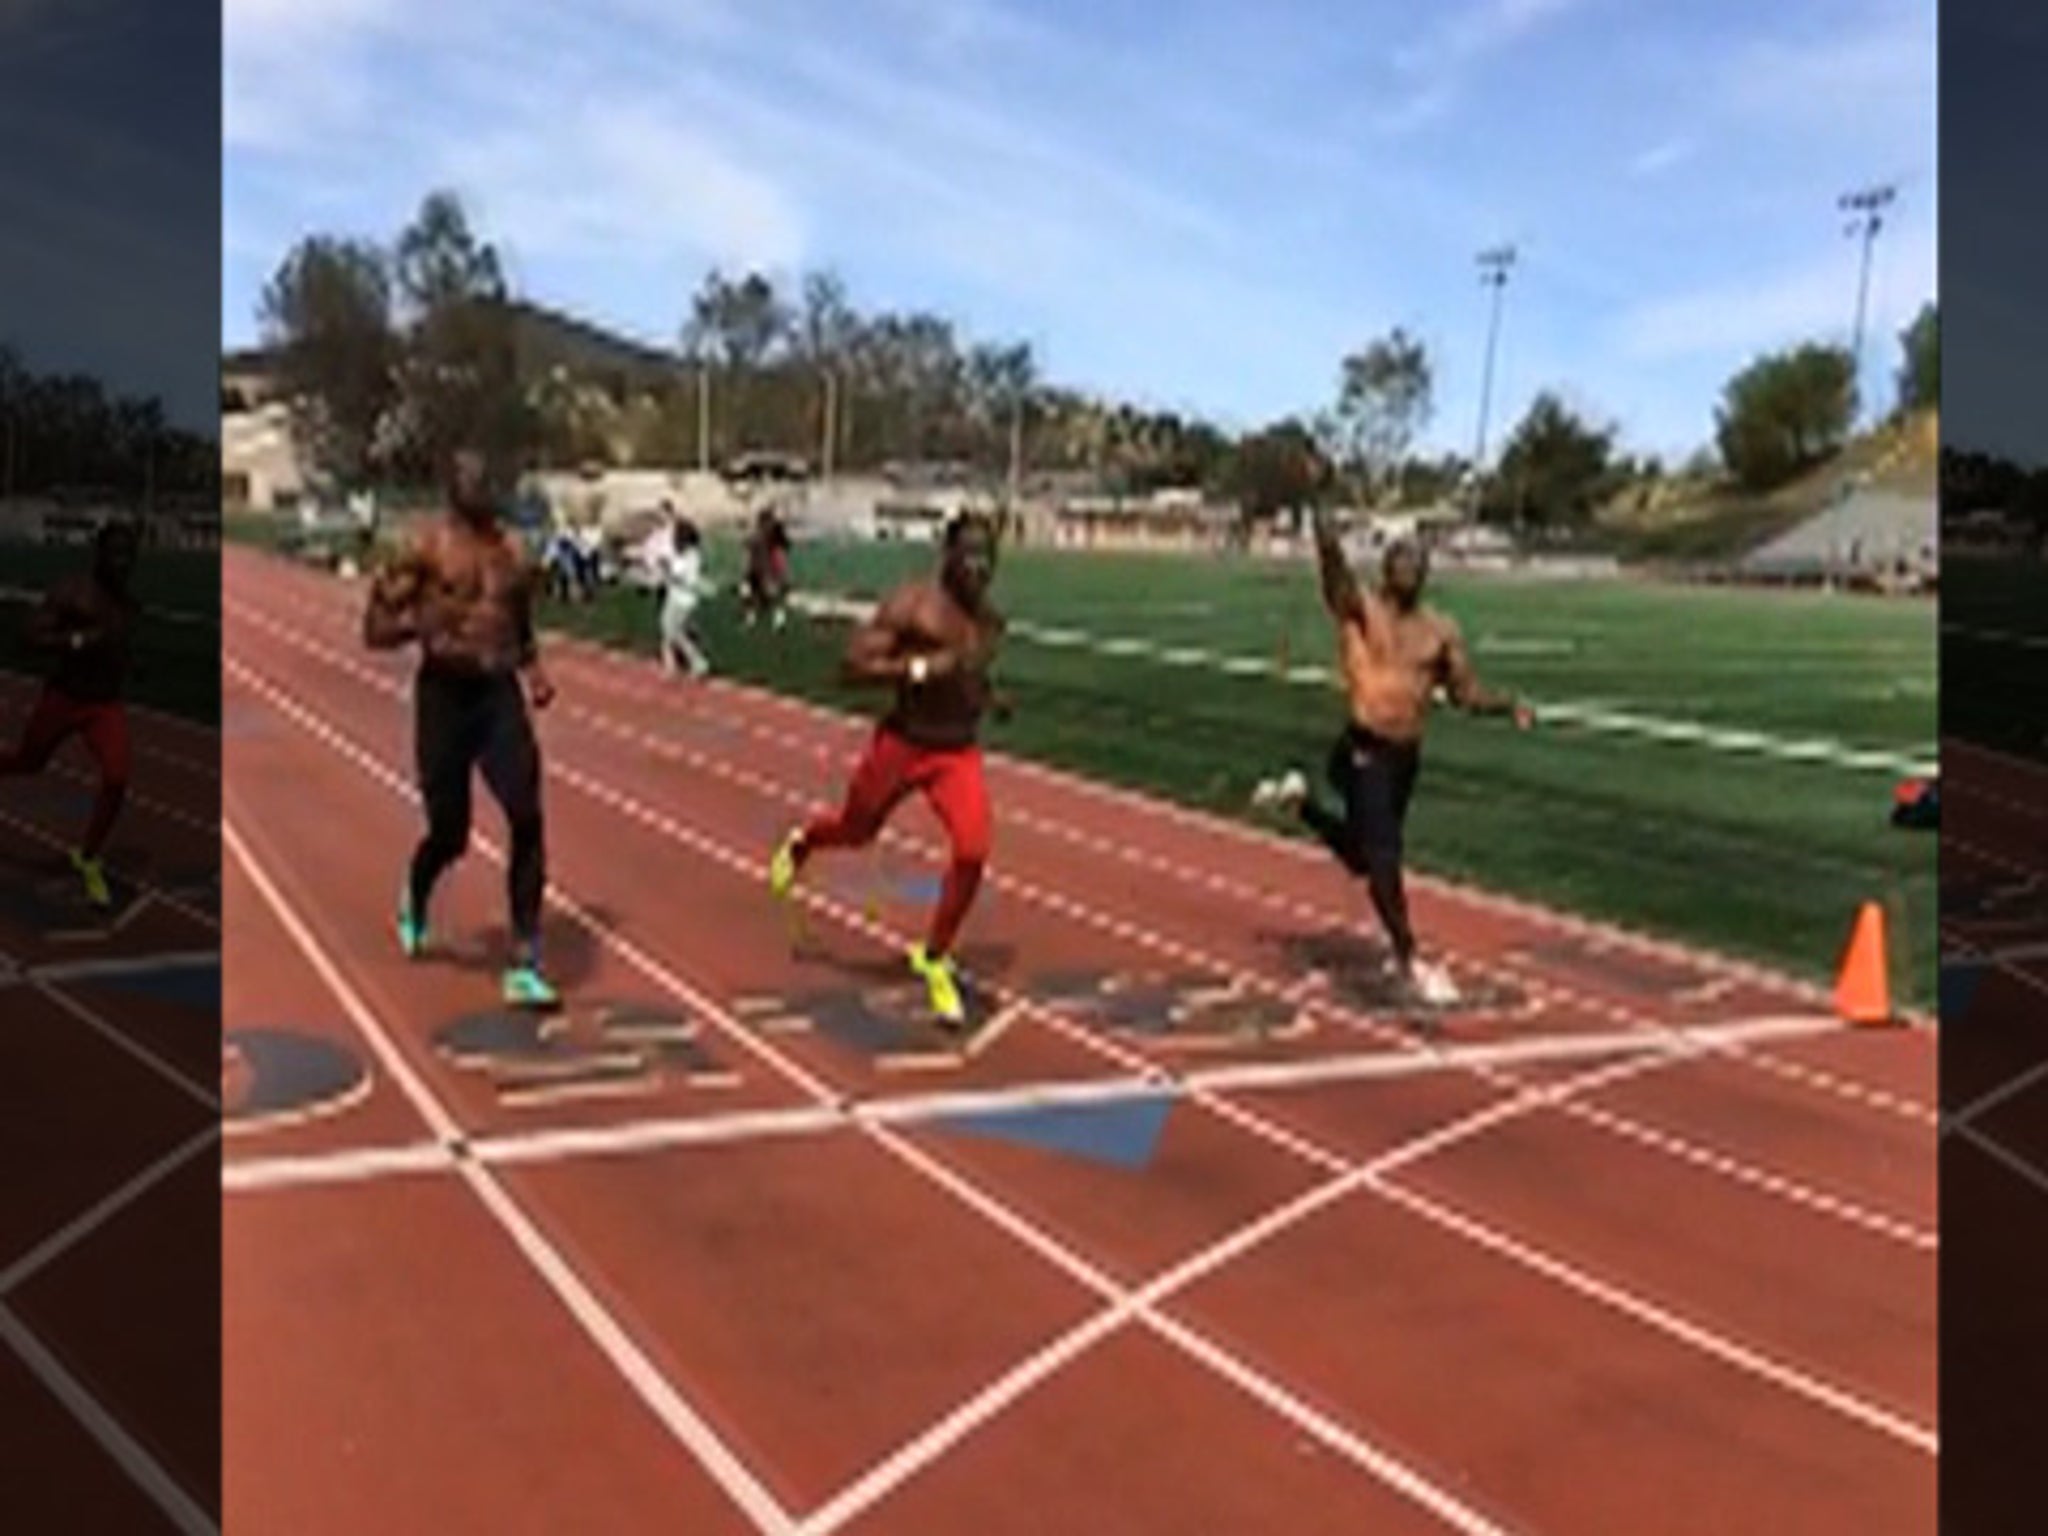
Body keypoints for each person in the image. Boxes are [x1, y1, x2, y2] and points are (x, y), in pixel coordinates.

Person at [1252, 511, 1532, 1006]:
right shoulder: (1362, 610)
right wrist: (1322, 521)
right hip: (1362, 750)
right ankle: (1411, 959)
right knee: (1384, 861)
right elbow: (1334, 575)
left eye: (1417, 564)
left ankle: (1301, 804)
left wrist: (1508, 706)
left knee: (1363, 857)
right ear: (1385, 569)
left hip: (1404, 760)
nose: (1410, 571)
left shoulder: (1439, 632)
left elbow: (1465, 693)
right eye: (1402, 563)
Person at [768, 511, 1007, 1024]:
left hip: (955, 753)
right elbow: (849, 669)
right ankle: (804, 842)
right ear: (948, 555)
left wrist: (989, 699)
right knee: (856, 830)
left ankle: (935, 957)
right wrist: (919, 669)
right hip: (903, 745)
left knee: (973, 849)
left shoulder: (989, 623)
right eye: (969, 555)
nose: (979, 568)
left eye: (988, 557)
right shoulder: (912, 606)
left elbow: (971, 679)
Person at [363, 448, 560, 1010]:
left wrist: (534, 668)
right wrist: (417, 624)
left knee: (526, 811)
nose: (481, 488)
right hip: (444, 697)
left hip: (498, 696)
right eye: (470, 479)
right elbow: (373, 628)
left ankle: (525, 956)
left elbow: (518, 620)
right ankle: (416, 892)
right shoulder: (424, 548)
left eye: (486, 479)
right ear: (452, 488)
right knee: (451, 832)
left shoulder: (511, 552)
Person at [0, 521, 141, 908]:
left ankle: (89, 856)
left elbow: (120, 649)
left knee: (117, 777)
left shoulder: (127, 605)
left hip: (103, 706)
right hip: (64, 699)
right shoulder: (73, 592)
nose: (122, 564)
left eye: (128, 556)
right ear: (99, 556)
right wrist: (77, 641)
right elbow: (27, 635)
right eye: (115, 555)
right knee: (28, 761)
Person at [650, 508, 710, 678]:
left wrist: (666, 567)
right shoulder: (685, 553)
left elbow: (681, 575)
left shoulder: (690, 556)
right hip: (676, 595)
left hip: (683, 598)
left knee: (673, 631)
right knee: (668, 630)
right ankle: (671, 664)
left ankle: (697, 661)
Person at [743, 506, 791, 629]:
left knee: (767, 593)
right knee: (757, 594)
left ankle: (774, 618)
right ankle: (754, 617)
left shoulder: (770, 535)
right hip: (760, 568)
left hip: (765, 567)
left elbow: (784, 545)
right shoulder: (760, 536)